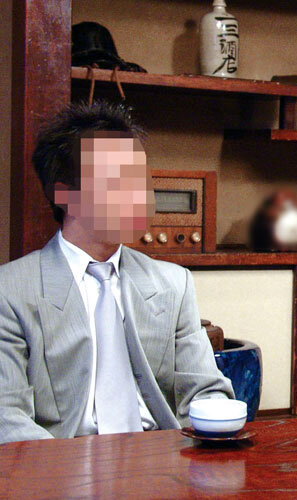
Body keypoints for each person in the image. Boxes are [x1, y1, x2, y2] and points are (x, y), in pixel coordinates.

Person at [0, 101, 234, 443]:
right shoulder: (11, 290)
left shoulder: (173, 283)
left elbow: (205, 390)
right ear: (65, 195)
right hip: (63, 460)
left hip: (161, 457)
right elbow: (7, 417)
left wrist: (215, 422)